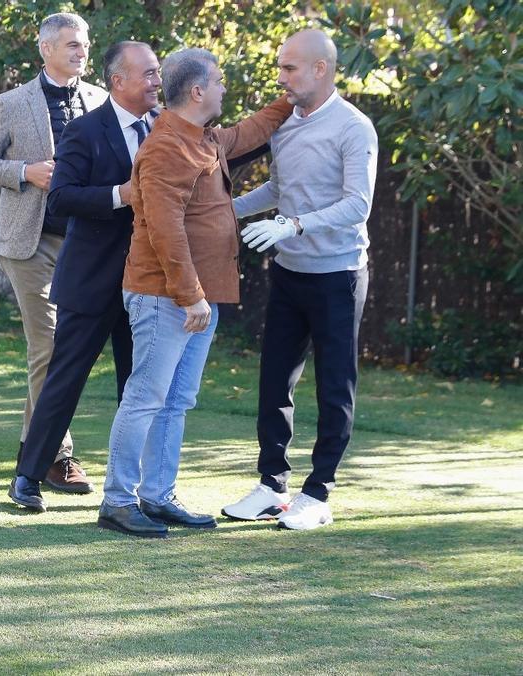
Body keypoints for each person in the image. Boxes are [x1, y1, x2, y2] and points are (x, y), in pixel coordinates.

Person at [97, 48, 293, 538]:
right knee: (145, 397)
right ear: (198, 90)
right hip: (167, 296)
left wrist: (290, 100)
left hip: (195, 297)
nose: (225, 89)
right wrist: (189, 296)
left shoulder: (203, 137)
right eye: (220, 81)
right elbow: (165, 230)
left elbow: (248, 132)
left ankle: (157, 497)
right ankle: (118, 502)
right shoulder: (166, 147)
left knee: (175, 401)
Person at [222, 29, 377, 530]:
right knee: (274, 383)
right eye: (281, 67)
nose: (281, 77)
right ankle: (272, 485)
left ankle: (319, 493)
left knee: (334, 387)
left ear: (320, 69)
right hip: (290, 273)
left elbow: (359, 204)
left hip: (339, 275)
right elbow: (279, 187)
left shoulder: (354, 127)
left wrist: (294, 224)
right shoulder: (284, 123)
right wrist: (223, 211)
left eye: (289, 68)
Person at [7, 41, 161, 512]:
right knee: (65, 378)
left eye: (158, 73)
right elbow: (62, 198)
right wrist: (121, 194)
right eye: (150, 74)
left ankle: (135, 487)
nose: (158, 81)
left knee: (138, 384)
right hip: (92, 278)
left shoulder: (167, 127)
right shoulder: (84, 130)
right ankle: (28, 478)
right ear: (119, 81)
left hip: (147, 281)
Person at [0, 12, 108, 494]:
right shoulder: (12, 102)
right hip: (29, 243)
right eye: (71, 44)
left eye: (85, 44)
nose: (82, 52)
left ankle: (33, 449)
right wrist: (26, 170)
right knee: (48, 344)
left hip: (86, 245)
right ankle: (56, 456)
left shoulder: (102, 102)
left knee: (60, 349)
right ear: (46, 49)